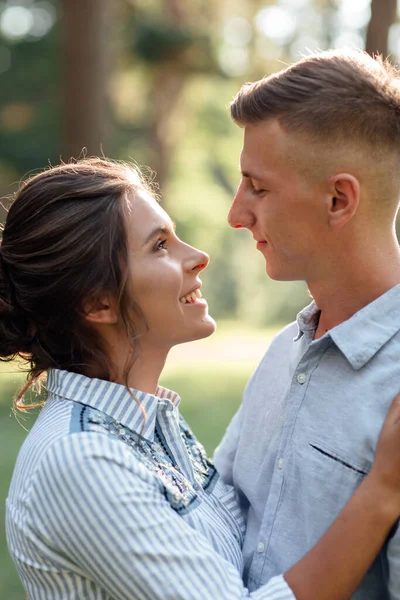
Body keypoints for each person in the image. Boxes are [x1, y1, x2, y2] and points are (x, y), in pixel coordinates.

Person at [2, 159, 400, 600]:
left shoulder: (145, 423)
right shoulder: (81, 460)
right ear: (98, 304)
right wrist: (381, 491)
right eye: (159, 245)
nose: (197, 256)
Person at [213, 49, 400, 600]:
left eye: (258, 187)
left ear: (338, 198)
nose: (236, 213)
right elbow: (219, 513)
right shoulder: (282, 352)